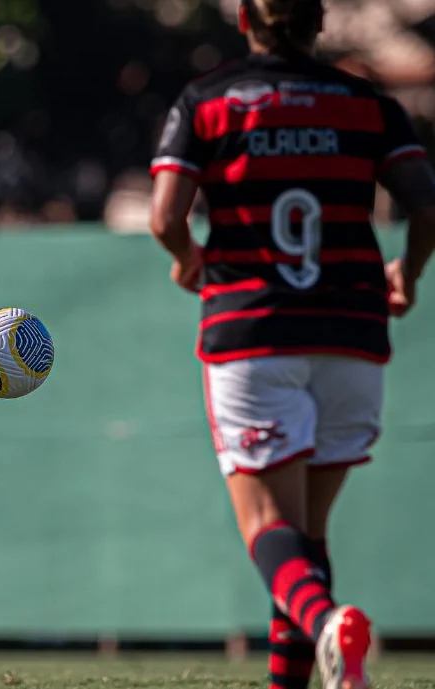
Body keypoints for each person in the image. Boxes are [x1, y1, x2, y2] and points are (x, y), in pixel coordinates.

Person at [149, 1, 435, 688]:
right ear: (319, 20)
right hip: (352, 330)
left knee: (271, 527)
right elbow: (426, 206)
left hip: (254, 328)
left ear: (245, 17)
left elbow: (164, 215)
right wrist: (410, 272)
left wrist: (188, 256)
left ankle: (329, 622)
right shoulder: (366, 102)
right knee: (305, 537)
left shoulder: (210, 99)